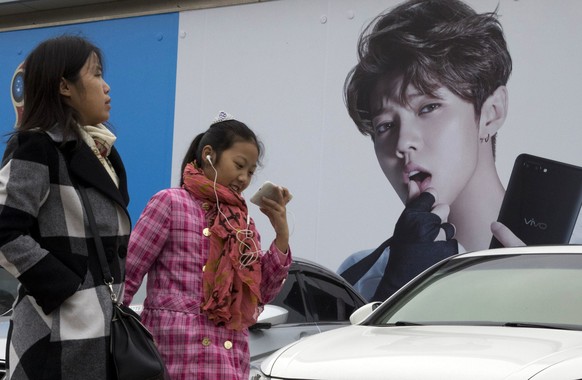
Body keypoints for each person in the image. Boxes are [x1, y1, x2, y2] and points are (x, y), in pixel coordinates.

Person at [340, 0, 515, 301]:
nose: (403, 142)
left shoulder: (570, 260)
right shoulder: (364, 277)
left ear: (491, 112)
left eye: (428, 107)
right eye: (384, 126)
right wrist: (394, 300)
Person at [122, 111, 292, 380]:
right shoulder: (171, 202)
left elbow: (262, 293)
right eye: (239, 165)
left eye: (250, 171)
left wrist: (281, 233)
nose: (244, 178)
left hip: (227, 359)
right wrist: (111, 339)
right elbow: (127, 274)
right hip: (174, 354)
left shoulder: (243, 224)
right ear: (209, 154)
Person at [0, 35, 130, 379]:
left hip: (100, 334)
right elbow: (4, 229)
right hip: (56, 335)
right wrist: (62, 287)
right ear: (64, 86)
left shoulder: (102, 153)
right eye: (96, 74)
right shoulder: (36, 146)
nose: (106, 87)